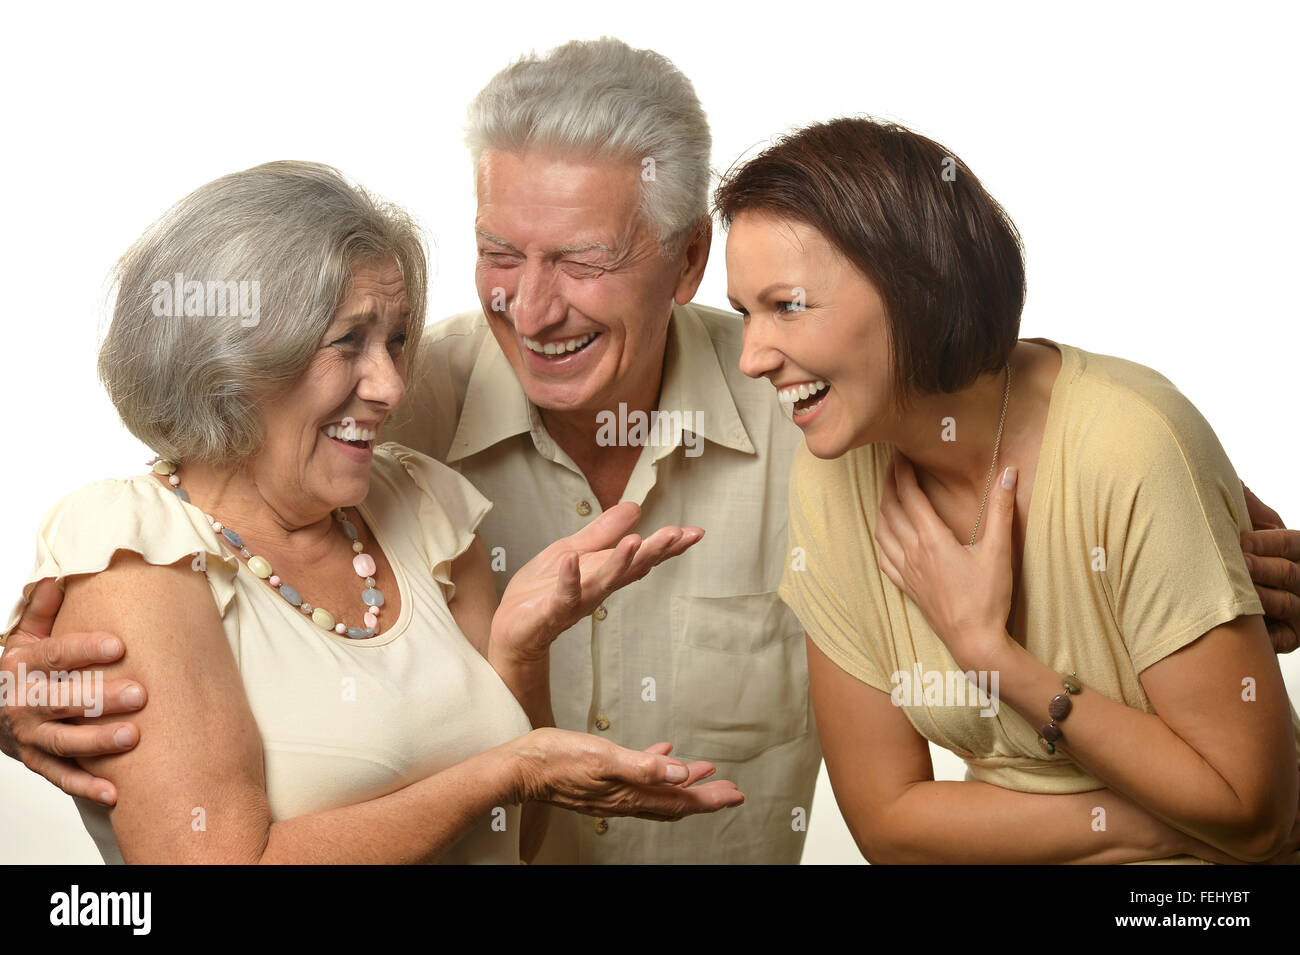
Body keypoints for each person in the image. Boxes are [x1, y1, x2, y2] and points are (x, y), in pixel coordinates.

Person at [5, 38, 1299, 865]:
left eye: (580, 258)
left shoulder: (830, 411)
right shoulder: (388, 414)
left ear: (690, 263)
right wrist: (32, 681)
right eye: (500, 252)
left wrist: (1219, 584)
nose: (530, 303)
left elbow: (1084, 469)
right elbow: (204, 491)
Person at [0, 160, 743, 864]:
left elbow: (522, 834)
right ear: (236, 359)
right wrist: (508, 769)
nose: (389, 385)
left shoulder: (423, 503)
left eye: (394, 340)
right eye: (348, 343)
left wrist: (521, 650)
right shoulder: (135, 551)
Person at [716, 116, 1300, 863]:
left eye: (785, 306)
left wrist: (990, 652)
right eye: (742, 313)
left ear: (912, 288)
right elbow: (889, 821)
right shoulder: (833, 473)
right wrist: (1142, 824)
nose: (751, 357)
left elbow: (1251, 814)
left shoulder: (1130, 446)